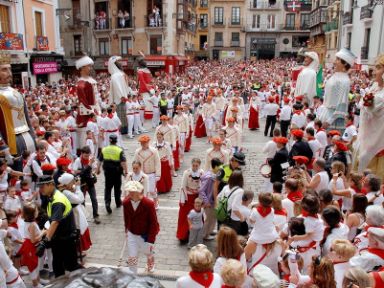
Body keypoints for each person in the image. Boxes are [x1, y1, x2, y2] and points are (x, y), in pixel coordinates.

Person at [36, 175, 82, 278]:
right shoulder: (51, 197)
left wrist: (44, 241)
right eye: (39, 187)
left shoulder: (58, 201)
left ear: (51, 185)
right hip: (59, 239)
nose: (40, 189)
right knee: (57, 266)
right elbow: (51, 220)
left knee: (71, 266)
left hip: (66, 240)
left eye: (42, 186)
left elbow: (55, 222)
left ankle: (87, 281)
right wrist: (43, 233)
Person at [0, 52, 36, 166]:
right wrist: (4, 148)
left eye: (9, 69)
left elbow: (27, 120)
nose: (9, 73)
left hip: (26, 138)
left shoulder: (17, 93)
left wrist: (33, 137)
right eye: (4, 70)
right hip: (10, 142)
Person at [354, 54, 384, 179]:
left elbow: (372, 105)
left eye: (378, 68)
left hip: (378, 138)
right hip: (367, 135)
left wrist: (369, 102)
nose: (374, 72)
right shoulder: (375, 87)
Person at [122, 181, 160, 273]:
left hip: (145, 235)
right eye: (129, 191)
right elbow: (126, 218)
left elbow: (153, 223)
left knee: (148, 252)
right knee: (132, 257)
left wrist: (151, 240)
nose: (130, 193)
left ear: (139, 192)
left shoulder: (149, 204)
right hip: (132, 233)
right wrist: (126, 230)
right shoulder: (126, 202)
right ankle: (133, 275)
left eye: (132, 191)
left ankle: (150, 262)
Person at [319, 48, 356, 129]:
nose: (334, 62)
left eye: (338, 59)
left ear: (345, 63)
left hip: (333, 121)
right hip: (325, 115)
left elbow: (342, 105)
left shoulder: (345, 80)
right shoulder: (334, 76)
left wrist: (329, 121)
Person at [96, 134, 128, 214]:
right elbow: (123, 162)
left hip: (107, 172)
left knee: (108, 188)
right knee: (117, 188)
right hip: (117, 172)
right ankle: (118, 202)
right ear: (116, 141)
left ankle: (107, 202)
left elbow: (99, 160)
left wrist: (98, 169)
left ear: (109, 140)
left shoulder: (104, 149)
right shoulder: (119, 150)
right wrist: (126, 171)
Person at [177, 158, 204, 242]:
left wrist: (200, 198)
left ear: (199, 166)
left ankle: (196, 235)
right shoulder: (187, 173)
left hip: (196, 198)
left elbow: (202, 186)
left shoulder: (201, 173)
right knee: (185, 216)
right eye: (193, 165)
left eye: (197, 166)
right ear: (191, 165)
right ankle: (183, 235)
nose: (195, 167)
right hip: (188, 198)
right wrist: (183, 199)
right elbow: (183, 186)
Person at [75, 56, 98, 152]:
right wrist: (92, 112)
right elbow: (82, 102)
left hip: (94, 111)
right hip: (86, 115)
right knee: (85, 138)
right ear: (83, 67)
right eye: (88, 66)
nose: (90, 68)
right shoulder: (81, 84)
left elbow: (96, 99)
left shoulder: (91, 80)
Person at [72, 146, 100, 224]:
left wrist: (93, 172)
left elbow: (95, 169)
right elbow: (74, 171)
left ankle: (96, 215)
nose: (87, 157)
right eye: (85, 156)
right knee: (82, 200)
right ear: (81, 154)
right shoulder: (78, 160)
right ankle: (83, 216)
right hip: (82, 183)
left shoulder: (91, 159)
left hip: (90, 182)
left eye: (88, 156)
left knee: (94, 199)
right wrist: (86, 168)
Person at [133, 135, 161, 208]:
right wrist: (134, 173)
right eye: (141, 142)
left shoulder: (154, 151)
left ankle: (155, 201)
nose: (143, 144)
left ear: (148, 142)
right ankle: (144, 203)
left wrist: (158, 174)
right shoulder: (137, 152)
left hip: (151, 173)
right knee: (142, 189)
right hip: (142, 174)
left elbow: (158, 162)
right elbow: (134, 163)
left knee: (152, 190)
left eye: (145, 142)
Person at [199, 158, 222, 240]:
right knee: (210, 219)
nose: (220, 168)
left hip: (212, 201)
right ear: (215, 167)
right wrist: (206, 201)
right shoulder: (209, 177)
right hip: (209, 202)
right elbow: (201, 190)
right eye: (219, 166)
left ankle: (210, 231)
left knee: (212, 218)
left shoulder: (211, 175)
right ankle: (205, 235)